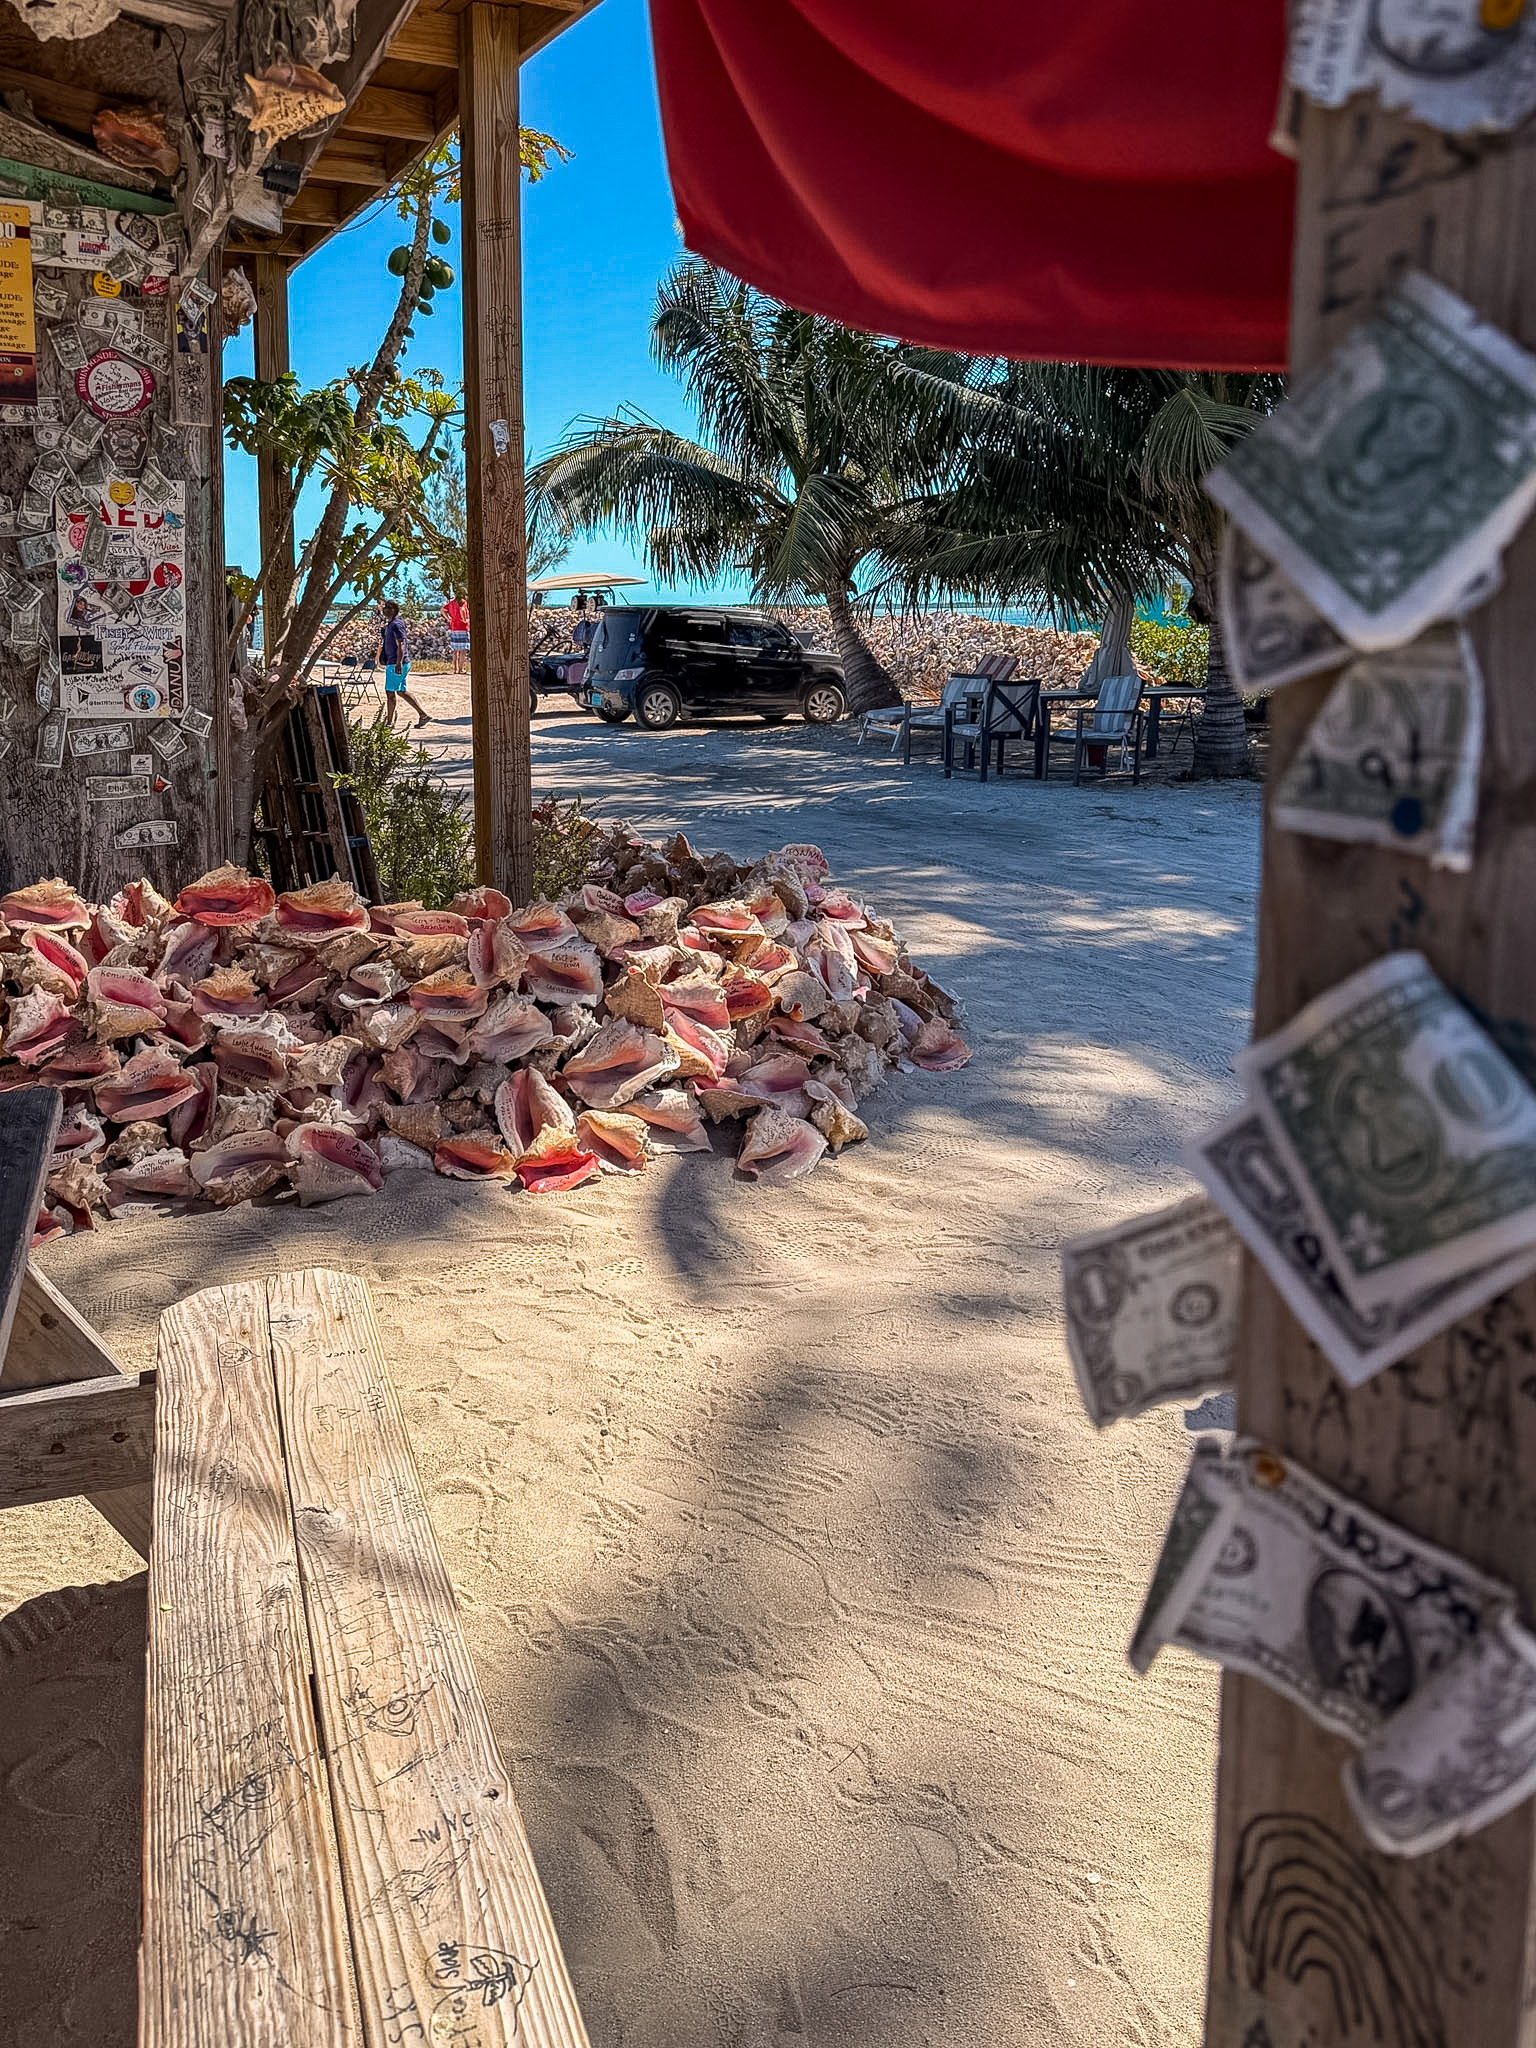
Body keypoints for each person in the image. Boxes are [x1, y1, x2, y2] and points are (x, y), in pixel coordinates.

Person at [375, 601, 428, 729]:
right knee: (401, 691)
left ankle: (389, 722)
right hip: (394, 662)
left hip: (396, 663)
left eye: (388, 608)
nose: (385, 610)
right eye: (385, 607)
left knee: (390, 693)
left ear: (394, 610)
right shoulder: (390, 625)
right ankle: (423, 715)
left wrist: (398, 663)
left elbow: (401, 644)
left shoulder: (396, 624)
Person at [444, 594, 470, 675]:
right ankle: (460, 669)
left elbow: (442, 609)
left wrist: (448, 618)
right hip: (462, 627)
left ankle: (455, 668)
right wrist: (464, 620)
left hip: (454, 628)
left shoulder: (451, 603)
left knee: (455, 650)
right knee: (463, 650)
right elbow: (462, 609)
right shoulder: (463, 602)